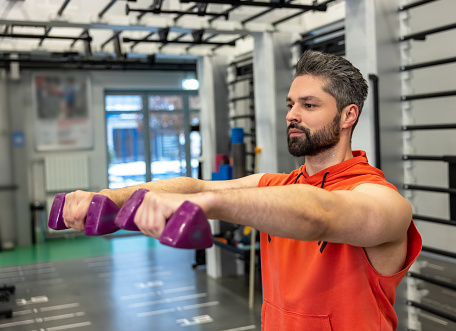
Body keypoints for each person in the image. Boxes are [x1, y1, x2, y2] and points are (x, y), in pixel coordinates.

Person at [63, 50, 422, 330]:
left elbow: (321, 214)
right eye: (290, 104)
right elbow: (196, 184)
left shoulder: (382, 199)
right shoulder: (280, 185)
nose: (291, 115)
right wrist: (109, 197)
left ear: (348, 116)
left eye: (309, 105)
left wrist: (208, 204)